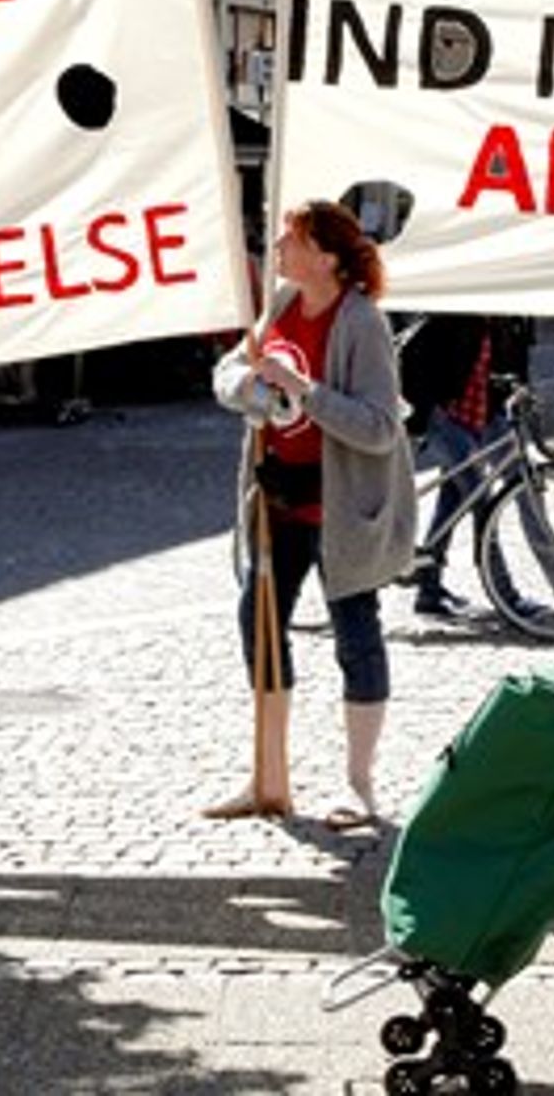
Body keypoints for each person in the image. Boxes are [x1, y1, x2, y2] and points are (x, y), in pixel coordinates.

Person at [203, 200, 416, 831]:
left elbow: (380, 427)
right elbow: (230, 370)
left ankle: (361, 786)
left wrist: (303, 391)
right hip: (280, 499)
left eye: (290, 240)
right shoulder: (283, 304)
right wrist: (248, 386)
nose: (277, 249)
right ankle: (268, 778)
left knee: (355, 633)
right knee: (259, 622)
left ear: (325, 255)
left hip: (342, 507)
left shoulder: (361, 322)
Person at [397, 313, 554, 619]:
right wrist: (427, 415)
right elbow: (416, 360)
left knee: (517, 480)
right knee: (483, 503)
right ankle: (507, 598)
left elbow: (503, 364)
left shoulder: (506, 317)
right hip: (447, 420)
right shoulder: (454, 317)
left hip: (485, 414)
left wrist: (513, 387)